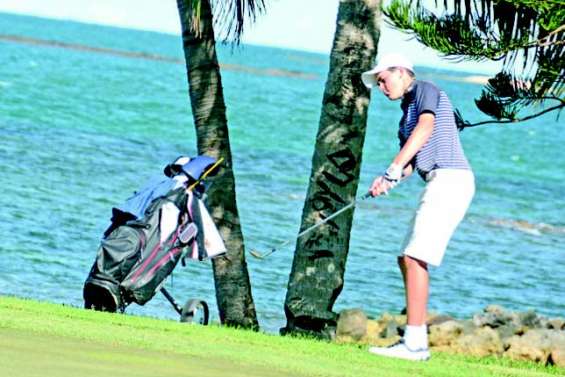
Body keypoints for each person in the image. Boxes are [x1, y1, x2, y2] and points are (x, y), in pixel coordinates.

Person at [361, 53, 475, 361]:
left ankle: (414, 345)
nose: (382, 87)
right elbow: (410, 161)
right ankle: (415, 340)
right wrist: (388, 180)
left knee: (414, 257)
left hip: (451, 180)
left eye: (383, 79)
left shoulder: (424, 89)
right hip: (438, 181)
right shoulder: (405, 113)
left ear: (401, 72)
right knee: (406, 257)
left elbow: (426, 129)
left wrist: (393, 168)